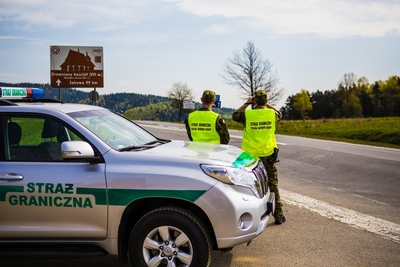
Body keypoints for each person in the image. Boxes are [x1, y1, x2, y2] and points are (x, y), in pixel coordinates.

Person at [232, 90, 285, 225]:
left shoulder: (248, 114)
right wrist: (269, 105)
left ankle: (250, 216)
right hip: (268, 155)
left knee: (247, 185)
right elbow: (280, 114)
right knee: (273, 185)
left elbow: (235, 116)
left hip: (250, 157)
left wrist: (246, 103)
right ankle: (278, 215)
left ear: (254, 101)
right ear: (266, 101)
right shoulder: (272, 114)